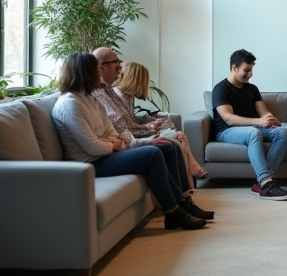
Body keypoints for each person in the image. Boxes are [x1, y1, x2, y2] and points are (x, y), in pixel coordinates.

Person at [51, 52, 206, 230]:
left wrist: (116, 141)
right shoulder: (70, 104)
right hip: (91, 163)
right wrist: (115, 143)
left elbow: (111, 131)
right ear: (85, 73)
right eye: (97, 70)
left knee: (167, 148)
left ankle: (182, 203)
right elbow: (93, 147)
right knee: (152, 153)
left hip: (106, 154)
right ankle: (173, 213)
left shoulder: (91, 99)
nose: (99, 73)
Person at [91, 47, 213, 220]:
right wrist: (145, 133)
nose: (120, 67)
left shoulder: (109, 91)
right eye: (115, 63)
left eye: (119, 62)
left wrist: (148, 126)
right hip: (116, 146)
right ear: (100, 67)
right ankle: (175, 211)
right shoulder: (91, 97)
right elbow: (114, 132)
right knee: (167, 144)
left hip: (125, 139)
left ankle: (184, 202)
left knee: (172, 146)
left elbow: (126, 124)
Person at [211, 49, 287, 200]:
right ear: (234, 68)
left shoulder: (252, 89)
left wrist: (274, 121)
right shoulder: (220, 89)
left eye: (251, 70)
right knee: (254, 132)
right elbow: (228, 118)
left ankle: (261, 182)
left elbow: (265, 114)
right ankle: (267, 184)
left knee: (284, 132)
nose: (250, 74)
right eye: (246, 70)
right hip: (227, 131)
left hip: (252, 128)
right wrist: (258, 122)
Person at [113, 61, 208, 186]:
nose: (145, 84)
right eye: (144, 80)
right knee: (179, 136)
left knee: (179, 135)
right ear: (136, 79)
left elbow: (133, 121)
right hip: (130, 139)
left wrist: (152, 122)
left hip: (134, 133)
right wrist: (148, 129)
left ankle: (189, 183)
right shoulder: (117, 96)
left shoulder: (128, 96)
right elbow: (126, 129)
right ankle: (189, 182)